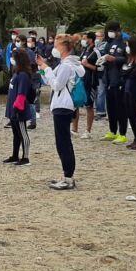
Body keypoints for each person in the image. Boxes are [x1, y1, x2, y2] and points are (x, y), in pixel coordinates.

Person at [37, 35, 85, 190]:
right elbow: (49, 81)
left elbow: (57, 85)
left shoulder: (67, 66)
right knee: (62, 142)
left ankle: (69, 177)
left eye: (56, 45)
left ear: (64, 47)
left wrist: (47, 69)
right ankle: (66, 174)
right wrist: (43, 68)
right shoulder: (67, 64)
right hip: (63, 105)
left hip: (63, 106)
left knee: (64, 143)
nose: (54, 49)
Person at [3, 48, 34, 166]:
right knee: (16, 133)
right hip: (12, 108)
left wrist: (17, 108)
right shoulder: (17, 73)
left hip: (19, 109)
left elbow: (21, 94)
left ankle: (25, 157)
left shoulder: (23, 75)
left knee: (23, 133)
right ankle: (15, 155)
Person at [100, 23, 128, 142]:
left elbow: (128, 58)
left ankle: (122, 133)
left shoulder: (125, 41)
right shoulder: (110, 42)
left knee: (120, 107)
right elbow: (105, 54)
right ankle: (112, 130)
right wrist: (103, 60)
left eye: (111, 31)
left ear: (117, 30)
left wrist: (115, 59)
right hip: (108, 78)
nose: (109, 33)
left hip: (119, 79)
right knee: (110, 107)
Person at [73, 33, 98, 139]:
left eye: (84, 38)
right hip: (81, 81)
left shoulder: (95, 51)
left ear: (90, 39)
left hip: (90, 82)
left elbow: (99, 68)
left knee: (89, 106)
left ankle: (88, 130)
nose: (82, 40)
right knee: (76, 104)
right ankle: (74, 129)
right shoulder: (84, 50)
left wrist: (87, 65)